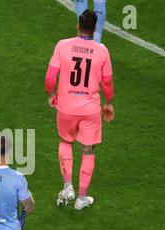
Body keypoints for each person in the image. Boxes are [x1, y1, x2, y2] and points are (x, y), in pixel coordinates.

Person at [44, 9, 115, 210]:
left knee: (65, 142)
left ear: (78, 25)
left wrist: (51, 95)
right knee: (88, 150)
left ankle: (68, 187)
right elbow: (107, 82)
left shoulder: (63, 45)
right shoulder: (102, 51)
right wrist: (108, 102)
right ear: (94, 28)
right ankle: (81, 199)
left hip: (66, 107)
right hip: (90, 110)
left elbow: (50, 78)